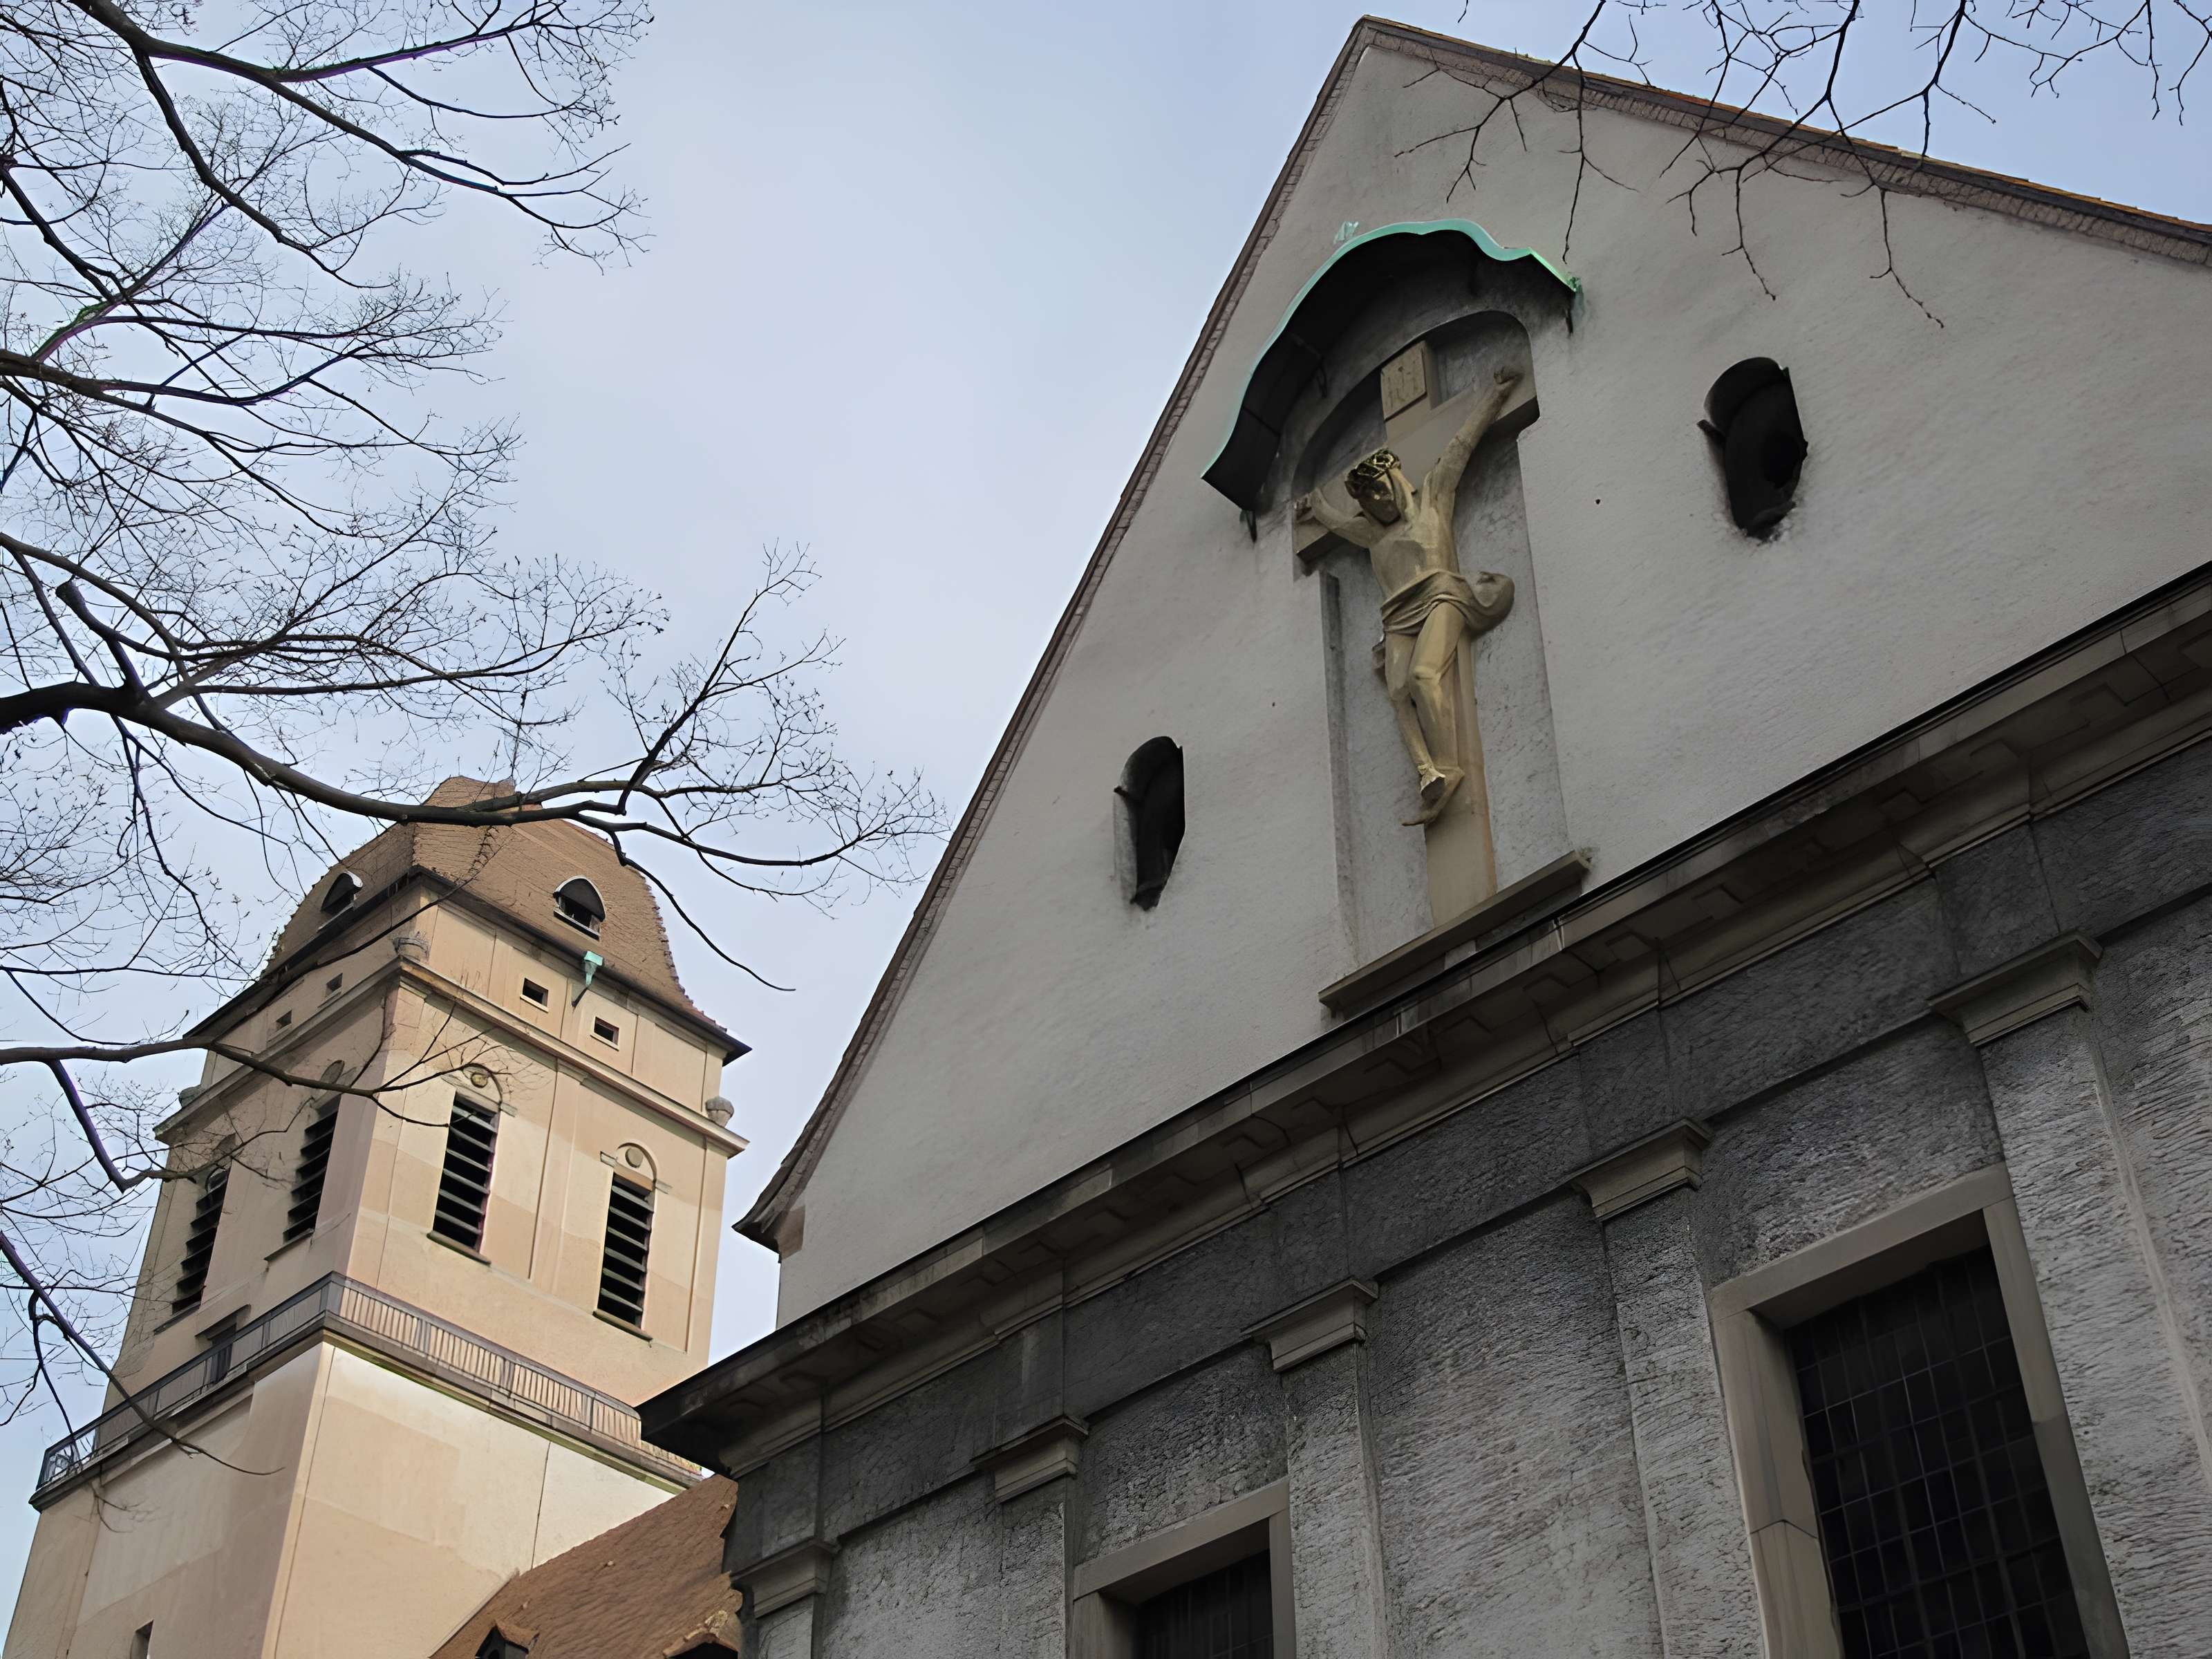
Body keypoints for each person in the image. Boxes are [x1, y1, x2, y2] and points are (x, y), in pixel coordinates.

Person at [1296, 364, 1521, 825]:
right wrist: (1313, 504)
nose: (1379, 503)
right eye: (1369, 501)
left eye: (1382, 491)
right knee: (1398, 692)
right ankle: (1427, 773)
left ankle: (1450, 767)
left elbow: (1462, 446)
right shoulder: (1371, 536)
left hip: (1441, 597)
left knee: (1422, 677)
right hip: (1396, 616)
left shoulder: (1435, 500)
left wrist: (1496, 394)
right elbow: (1334, 522)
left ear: (1397, 481)